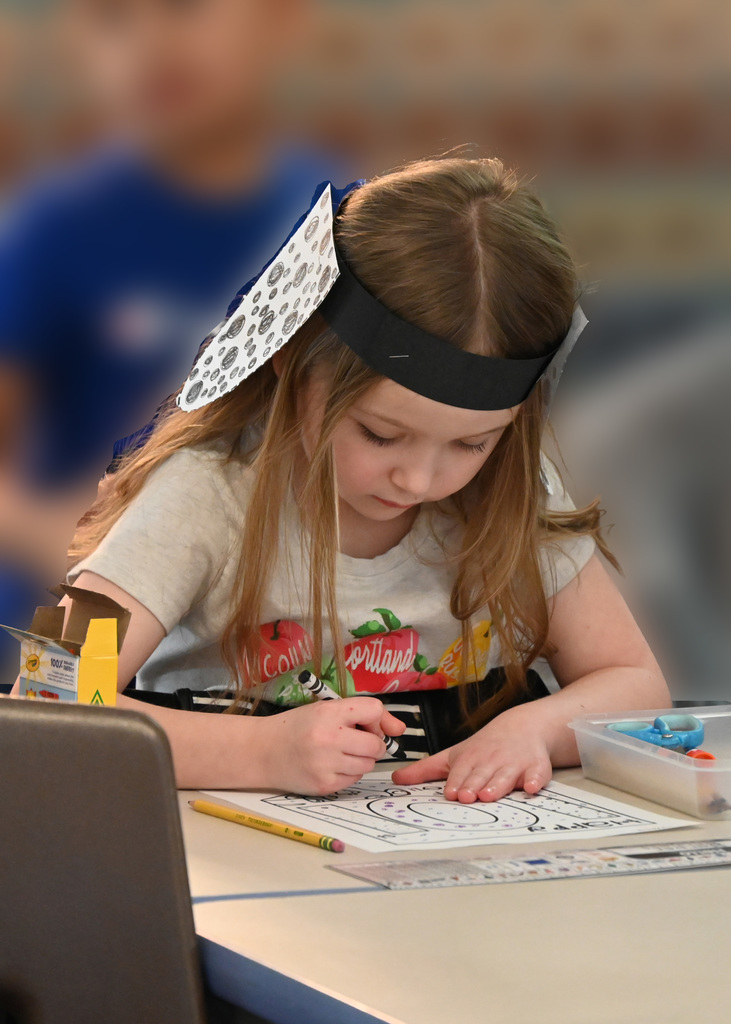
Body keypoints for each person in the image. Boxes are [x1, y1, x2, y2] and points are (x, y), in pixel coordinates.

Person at [57, 156, 669, 801]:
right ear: (296, 366)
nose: (419, 478)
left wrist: (538, 730)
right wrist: (259, 753)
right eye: (380, 434)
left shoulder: (515, 488)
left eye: (472, 443)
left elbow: (633, 679)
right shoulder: (200, 492)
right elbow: (48, 695)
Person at [0, 0, 335, 676]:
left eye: (182, 6)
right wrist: (80, 536)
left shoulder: (344, 221)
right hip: (85, 582)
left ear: (281, 17)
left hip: (266, 621)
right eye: (111, 15)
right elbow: (56, 702)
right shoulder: (53, 227)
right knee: (68, 717)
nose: (149, 42)